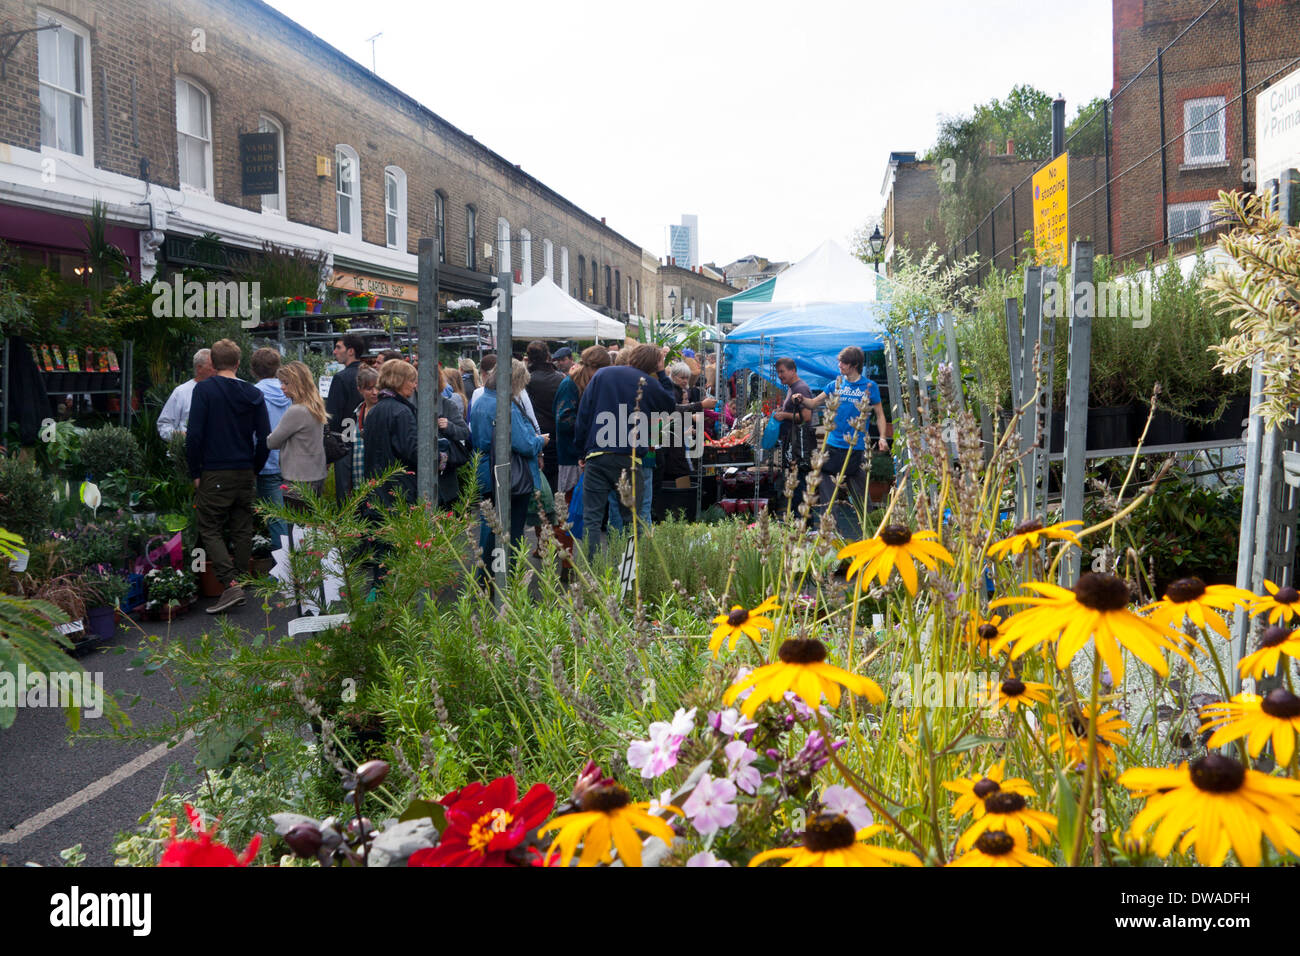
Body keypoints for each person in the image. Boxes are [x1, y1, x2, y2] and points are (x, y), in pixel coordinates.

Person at [186, 339, 270, 614]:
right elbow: (264, 437)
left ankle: (230, 583)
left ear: (212, 362)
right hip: (245, 469)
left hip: (215, 469)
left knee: (209, 526)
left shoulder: (204, 390)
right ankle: (240, 581)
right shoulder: (252, 393)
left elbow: (195, 435)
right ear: (237, 363)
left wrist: (195, 471)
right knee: (243, 527)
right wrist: (255, 467)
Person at [574, 344, 677, 551]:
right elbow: (669, 405)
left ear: (632, 357)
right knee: (632, 520)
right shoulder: (649, 383)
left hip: (598, 453)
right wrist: (661, 372)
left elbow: (583, 414)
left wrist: (582, 452)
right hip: (630, 458)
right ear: (653, 364)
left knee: (592, 519)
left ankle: (592, 572)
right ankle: (631, 572)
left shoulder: (603, 374)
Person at [796, 346, 889, 534]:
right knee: (827, 493)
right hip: (833, 447)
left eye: (843, 362)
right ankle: (830, 534)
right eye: (839, 362)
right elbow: (814, 403)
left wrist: (882, 437)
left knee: (862, 498)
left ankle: (870, 532)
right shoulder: (835, 385)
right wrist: (801, 398)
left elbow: (879, 414)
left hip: (856, 448)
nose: (839, 365)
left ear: (854, 364)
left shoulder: (869, 386)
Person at [471, 359, 548, 575]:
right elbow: (524, 444)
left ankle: (486, 577)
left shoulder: (480, 400)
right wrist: (541, 441)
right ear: (516, 382)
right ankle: (507, 577)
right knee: (510, 530)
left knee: (490, 527)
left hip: (485, 470)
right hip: (508, 474)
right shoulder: (505, 406)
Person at [554, 345, 610, 500]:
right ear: (594, 367)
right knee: (571, 502)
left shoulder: (591, 383)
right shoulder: (570, 384)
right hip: (571, 455)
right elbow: (563, 421)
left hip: (586, 454)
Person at [267, 361, 328, 498]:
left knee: (295, 517)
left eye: (286, 383)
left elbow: (272, 442)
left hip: (298, 476)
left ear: (298, 383)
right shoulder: (315, 406)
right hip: (317, 472)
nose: (282, 387)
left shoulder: (296, 410)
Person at [363, 358, 419, 508]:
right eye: (412, 380)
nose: (414, 385)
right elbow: (412, 451)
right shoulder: (402, 412)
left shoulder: (374, 410)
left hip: (376, 488)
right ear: (399, 380)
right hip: (399, 490)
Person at [251, 347, 291, 549]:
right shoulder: (291, 392)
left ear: (253, 369)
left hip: (266, 463)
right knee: (295, 518)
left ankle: (284, 572)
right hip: (292, 462)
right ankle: (301, 568)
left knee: (276, 519)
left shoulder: (253, 393)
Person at [325, 334, 368, 501]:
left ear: (351, 351)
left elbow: (332, 415)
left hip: (344, 441)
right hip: (366, 440)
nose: (335, 352)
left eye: (338, 347)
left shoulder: (341, 378)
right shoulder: (370, 375)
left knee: (345, 493)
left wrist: (329, 448)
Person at [771, 357, 815, 514]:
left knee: (800, 484)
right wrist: (782, 412)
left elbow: (806, 416)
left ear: (793, 370)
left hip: (799, 446)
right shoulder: (792, 387)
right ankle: (798, 522)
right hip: (793, 444)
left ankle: (803, 524)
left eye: (782, 372)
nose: (780, 376)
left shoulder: (800, 389)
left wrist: (784, 415)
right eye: (778, 373)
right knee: (796, 483)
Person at [525, 340, 564, 497]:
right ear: (548, 356)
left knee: (538, 482)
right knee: (555, 479)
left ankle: (542, 516)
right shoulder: (560, 378)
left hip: (536, 435)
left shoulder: (528, 380)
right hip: (556, 433)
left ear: (529, 358)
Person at [472, 353, 541, 432]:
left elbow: (474, 426)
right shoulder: (519, 393)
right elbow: (532, 422)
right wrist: (539, 439)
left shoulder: (479, 394)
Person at [157, 348, 213, 440]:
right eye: (212, 366)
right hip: (185, 452)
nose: (216, 370)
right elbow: (164, 425)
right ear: (199, 368)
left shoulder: (221, 390)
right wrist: (182, 437)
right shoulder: (181, 392)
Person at [435, 373, 472, 508]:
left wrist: (448, 426)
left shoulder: (447, 404)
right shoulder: (410, 405)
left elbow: (464, 432)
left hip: (445, 475)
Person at [349, 364, 380, 497]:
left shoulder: (385, 412)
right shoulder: (355, 413)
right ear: (359, 390)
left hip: (379, 477)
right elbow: (349, 444)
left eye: (377, 387)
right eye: (369, 388)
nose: (375, 392)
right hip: (359, 475)